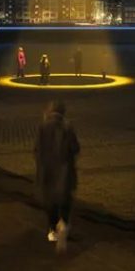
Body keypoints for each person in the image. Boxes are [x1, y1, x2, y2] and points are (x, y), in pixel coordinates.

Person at [34, 100, 80, 253]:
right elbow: (75, 148)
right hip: (65, 172)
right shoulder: (67, 126)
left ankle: (52, 229)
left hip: (48, 171)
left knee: (50, 201)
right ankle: (64, 225)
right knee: (65, 200)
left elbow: (37, 150)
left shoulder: (43, 126)